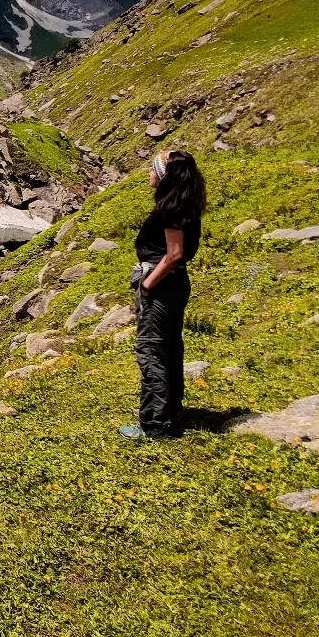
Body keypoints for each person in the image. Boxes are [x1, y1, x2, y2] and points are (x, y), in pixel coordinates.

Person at [120, 149, 207, 440]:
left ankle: (152, 425)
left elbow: (174, 254)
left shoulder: (171, 208)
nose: (149, 173)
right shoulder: (184, 204)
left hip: (161, 285)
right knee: (169, 347)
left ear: (163, 175)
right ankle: (171, 409)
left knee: (151, 351)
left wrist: (147, 286)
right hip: (175, 285)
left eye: (152, 169)